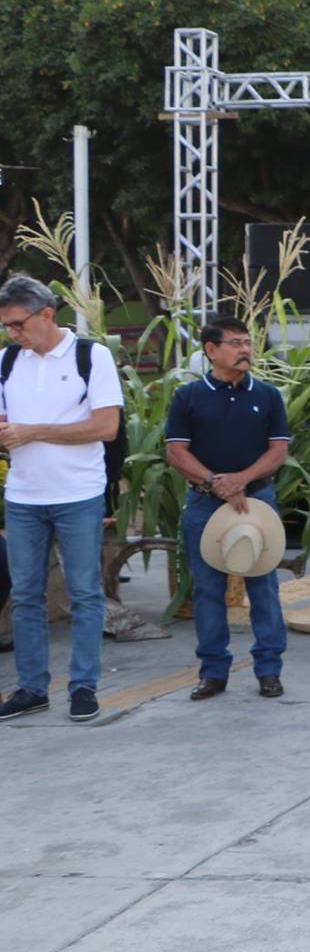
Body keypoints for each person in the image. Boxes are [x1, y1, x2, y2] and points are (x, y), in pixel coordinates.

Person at [0, 274, 119, 723]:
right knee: (26, 595)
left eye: (16, 324)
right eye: (6, 326)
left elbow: (105, 427)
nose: (12, 333)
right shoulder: (7, 361)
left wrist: (32, 431)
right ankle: (32, 688)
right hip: (23, 496)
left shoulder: (92, 356)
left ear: (46, 315)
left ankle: (83, 687)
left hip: (78, 494)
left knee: (85, 592)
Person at [163, 315, 292, 700]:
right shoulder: (188, 396)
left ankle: (269, 670)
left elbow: (278, 450)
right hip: (205, 503)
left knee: (264, 588)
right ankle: (213, 673)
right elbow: (176, 452)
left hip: (257, 501)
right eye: (235, 343)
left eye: (247, 342)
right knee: (207, 590)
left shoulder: (267, 395)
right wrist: (215, 483)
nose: (245, 350)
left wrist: (240, 480)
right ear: (211, 350)